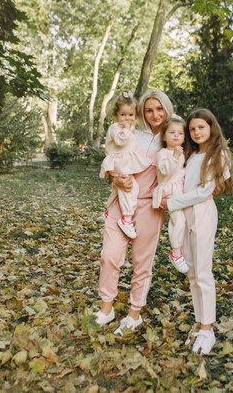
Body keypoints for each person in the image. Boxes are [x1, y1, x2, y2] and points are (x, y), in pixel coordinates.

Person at [94, 90, 173, 336]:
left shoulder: (172, 138)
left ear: (167, 109)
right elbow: (113, 160)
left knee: (142, 263)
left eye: (159, 109)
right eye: (149, 110)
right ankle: (106, 309)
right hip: (122, 202)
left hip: (150, 206)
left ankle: (134, 314)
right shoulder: (131, 135)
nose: (154, 114)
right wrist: (115, 178)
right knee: (109, 255)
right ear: (141, 112)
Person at [160, 108, 233, 355]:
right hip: (185, 213)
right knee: (192, 273)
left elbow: (204, 192)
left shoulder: (219, 154)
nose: (196, 132)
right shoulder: (191, 155)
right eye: (192, 129)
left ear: (211, 127)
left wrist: (171, 203)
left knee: (203, 273)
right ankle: (199, 323)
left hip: (202, 214)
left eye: (201, 127)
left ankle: (208, 329)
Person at [100, 92, 152, 239]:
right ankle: (126, 219)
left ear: (135, 116)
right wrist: (127, 129)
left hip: (124, 161)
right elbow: (121, 141)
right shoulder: (116, 128)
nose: (127, 118)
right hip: (119, 162)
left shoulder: (131, 129)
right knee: (131, 188)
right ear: (116, 115)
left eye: (131, 115)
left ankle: (108, 212)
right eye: (123, 114)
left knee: (117, 190)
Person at [152, 118, 188, 273]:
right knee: (179, 219)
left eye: (180, 133)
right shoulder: (163, 153)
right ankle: (176, 252)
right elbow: (165, 171)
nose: (176, 136)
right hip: (168, 190)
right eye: (172, 132)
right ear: (164, 136)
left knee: (181, 220)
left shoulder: (182, 152)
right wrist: (174, 156)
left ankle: (181, 248)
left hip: (179, 189)